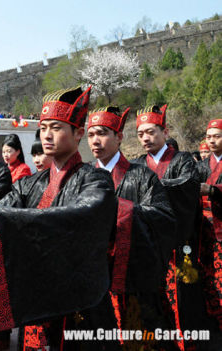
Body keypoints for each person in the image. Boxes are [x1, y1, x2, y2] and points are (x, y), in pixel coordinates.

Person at [0, 86, 117, 350]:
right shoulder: (30, 184)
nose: (47, 135)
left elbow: (82, 217)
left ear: (78, 133)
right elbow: (0, 208)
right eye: (43, 128)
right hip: (36, 298)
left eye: (56, 128)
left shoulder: (95, 180)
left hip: (78, 302)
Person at [86, 106, 176, 348]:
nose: (95, 140)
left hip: (135, 278)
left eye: (103, 133)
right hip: (95, 280)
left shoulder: (142, 176)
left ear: (119, 137)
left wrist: (122, 210)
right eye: (91, 134)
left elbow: (163, 217)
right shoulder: (82, 176)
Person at [134, 104, 203, 350]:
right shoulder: (137, 164)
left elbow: (187, 185)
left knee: (184, 300)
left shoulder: (182, 159)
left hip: (177, 246)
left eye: (151, 132)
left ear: (165, 131)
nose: (145, 138)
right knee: (152, 303)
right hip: (149, 248)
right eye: (140, 134)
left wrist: (151, 188)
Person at [197, 118, 222, 339]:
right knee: (208, 278)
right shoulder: (202, 165)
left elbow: (211, 189)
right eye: (209, 136)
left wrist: (213, 190)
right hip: (205, 232)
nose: (212, 141)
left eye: (217, 136)